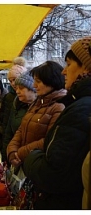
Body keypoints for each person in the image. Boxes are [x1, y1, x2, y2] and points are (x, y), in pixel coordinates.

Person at [23, 36, 91, 209]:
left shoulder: (80, 109)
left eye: (68, 64)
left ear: (86, 68)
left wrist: (28, 157)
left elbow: (53, 173)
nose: (64, 71)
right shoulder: (76, 104)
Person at [7, 61, 66, 168]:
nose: (34, 85)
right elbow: (21, 130)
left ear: (51, 81)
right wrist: (11, 151)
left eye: (38, 82)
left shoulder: (60, 106)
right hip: (26, 164)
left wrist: (20, 153)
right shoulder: (37, 103)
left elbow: (49, 140)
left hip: (39, 166)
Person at [0, 63, 27, 160]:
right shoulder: (9, 97)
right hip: (8, 136)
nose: (12, 83)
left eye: (14, 79)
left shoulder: (29, 101)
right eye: (10, 81)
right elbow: (5, 120)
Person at [1, 72, 37, 163]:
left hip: (30, 158)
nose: (17, 91)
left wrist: (20, 153)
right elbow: (9, 132)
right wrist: (8, 155)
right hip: (15, 156)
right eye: (16, 88)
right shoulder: (16, 104)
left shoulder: (40, 108)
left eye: (21, 88)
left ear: (32, 89)